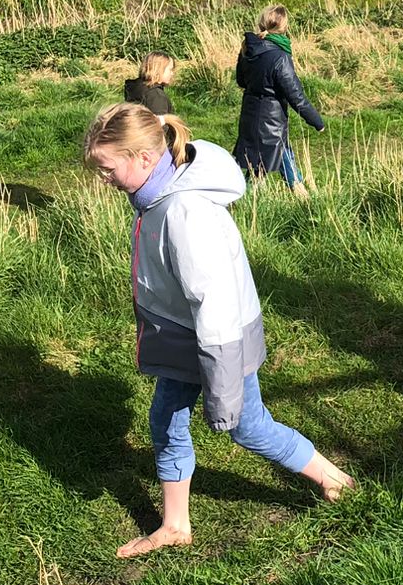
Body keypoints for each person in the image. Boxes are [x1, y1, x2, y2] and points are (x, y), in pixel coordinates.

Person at [82, 102, 355, 558]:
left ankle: (335, 480)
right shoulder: (157, 194)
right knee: (166, 419)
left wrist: (223, 382)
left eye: (107, 168)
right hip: (184, 334)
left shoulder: (184, 212)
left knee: (248, 426)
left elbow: (216, 304)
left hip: (217, 341)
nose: (103, 178)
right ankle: (175, 525)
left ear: (144, 158)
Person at [233, 6, 323, 199]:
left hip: (250, 114)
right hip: (272, 119)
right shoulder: (280, 56)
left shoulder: (247, 49)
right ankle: (304, 200)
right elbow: (295, 95)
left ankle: (244, 202)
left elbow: (241, 80)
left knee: (259, 165)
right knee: (279, 156)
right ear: (284, 26)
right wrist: (316, 121)